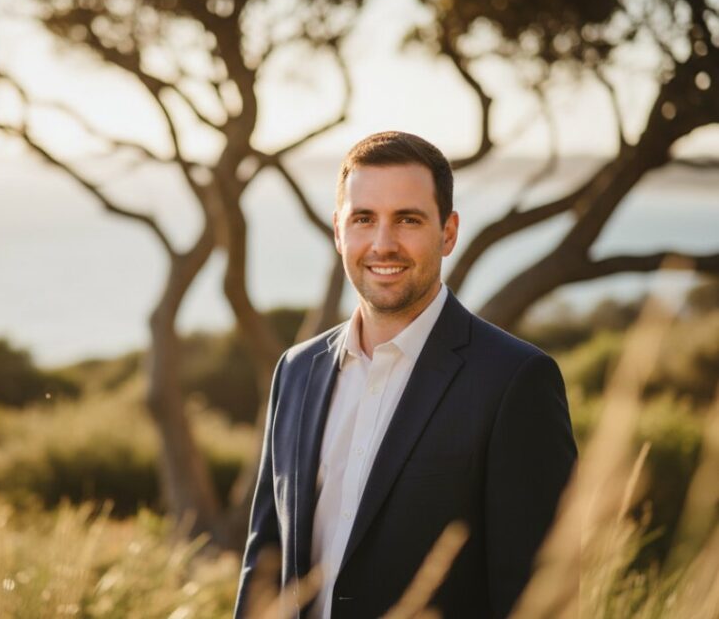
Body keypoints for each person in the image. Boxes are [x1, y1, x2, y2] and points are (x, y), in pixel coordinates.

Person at [234, 131, 577, 619]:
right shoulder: (296, 370)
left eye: (408, 220)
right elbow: (264, 564)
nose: (383, 243)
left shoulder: (516, 381)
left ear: (449, 232)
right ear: (338, 230)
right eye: (363, 219)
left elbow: (543, 599)